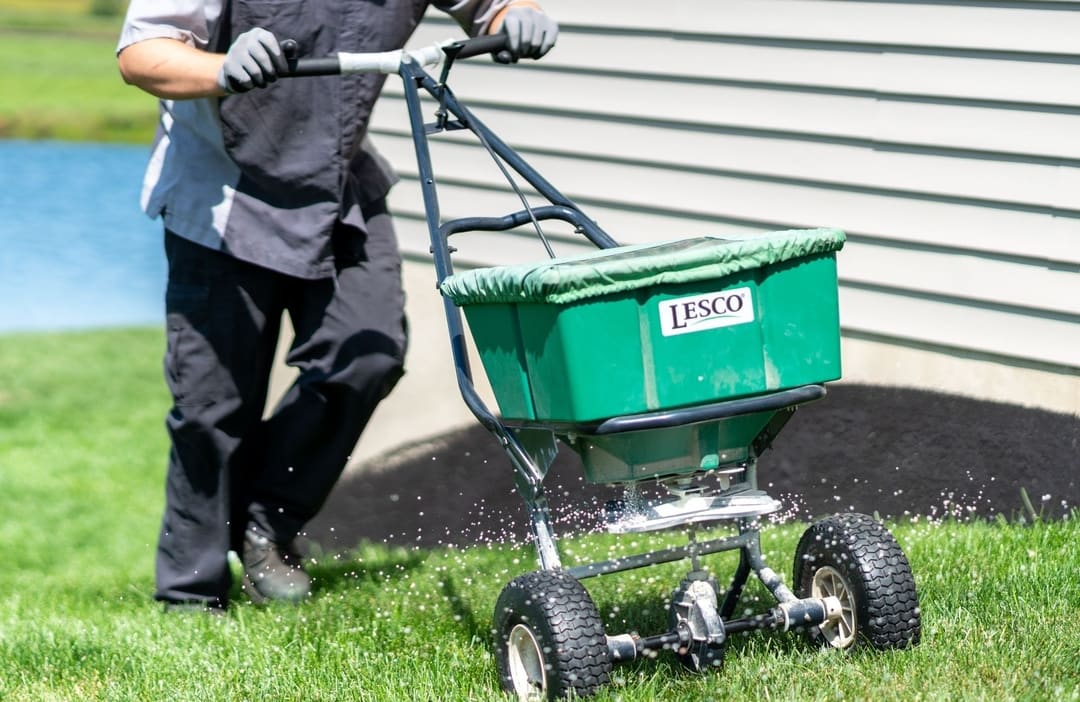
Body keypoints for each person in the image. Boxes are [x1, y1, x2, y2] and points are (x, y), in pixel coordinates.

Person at [116, 0, 558, 612]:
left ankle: (266, 521)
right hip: (220, 189)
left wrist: (517, 18)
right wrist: (220, 67)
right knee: (212, 407)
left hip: (337, 182)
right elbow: (142, 53)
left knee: (369, 352)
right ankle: (190, 594)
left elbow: (492, 9)